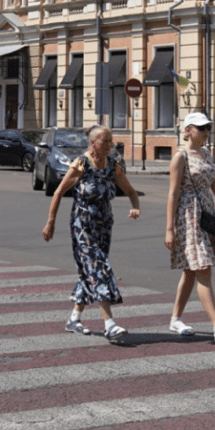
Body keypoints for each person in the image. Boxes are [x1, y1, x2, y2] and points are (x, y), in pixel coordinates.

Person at [42, 125, 140, 342]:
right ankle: (109, 324)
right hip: (82, 225)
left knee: (90, 271)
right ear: (94, 142)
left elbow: (131, 191)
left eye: (111, 141)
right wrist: (51, 223)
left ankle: (74, 318)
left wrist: (135, 207)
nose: (110, 145)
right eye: (106, 141)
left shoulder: (112, 165)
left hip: (105, 225)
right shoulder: (81, 164)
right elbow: (58, 192)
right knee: (99, 268)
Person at [165, 111, 215, 344]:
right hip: (188, 218)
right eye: (201, 128)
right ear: (188, 130)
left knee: (192, 270)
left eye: (207, 128)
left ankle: (175, 319)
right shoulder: (180, 157)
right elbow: (172, 194)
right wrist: (169, 229)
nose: (205, 132)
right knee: (202, 268)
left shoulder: (206, 154)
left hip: (206, 217)